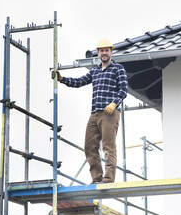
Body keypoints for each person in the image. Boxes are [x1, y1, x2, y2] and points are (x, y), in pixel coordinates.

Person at [52, 39, 128, 184]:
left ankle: (108, 179)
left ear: (111, 52)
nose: (104, 53)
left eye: (106, 50)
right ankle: (96, 178)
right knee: (89, 147)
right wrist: (61, 79)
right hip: (95, 114)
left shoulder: (118, 69)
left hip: (110, 114)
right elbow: (78, 82)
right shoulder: (95, 71)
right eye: (101, 50)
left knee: (108, 147)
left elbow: (123, 90)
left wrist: (114, 103)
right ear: (98, 53)